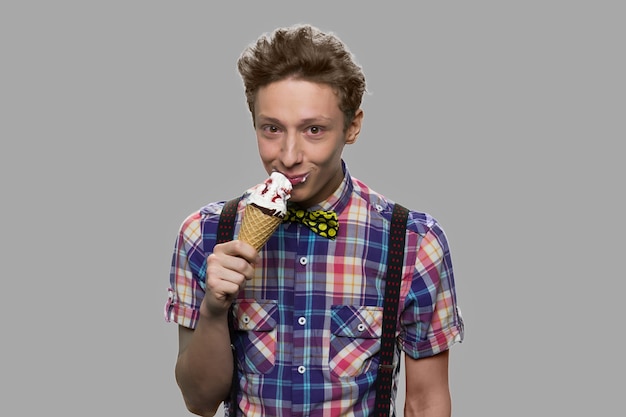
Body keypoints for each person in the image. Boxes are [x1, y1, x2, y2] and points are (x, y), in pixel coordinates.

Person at [165, 23, 464, 417]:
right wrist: (214, 308)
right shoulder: (204, 234)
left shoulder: (412, 242)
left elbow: (426, 401)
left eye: (313, 130)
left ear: (352, 126)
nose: (289, 155)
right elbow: (199, 401)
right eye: (272, 129)